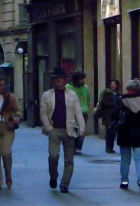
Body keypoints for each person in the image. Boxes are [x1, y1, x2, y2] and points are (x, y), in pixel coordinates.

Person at [40, 66, 85, 194]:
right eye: (56, 79)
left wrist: (82, 127)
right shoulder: (47, 95)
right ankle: (53, 176)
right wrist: (48, 127)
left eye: (61, 79)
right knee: (53, 156)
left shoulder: (72, 94)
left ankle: (65, 184)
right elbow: (42, 113)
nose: (58, 81)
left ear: (65, 80)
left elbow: (78, 111)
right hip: (54, 129)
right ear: (53, 81)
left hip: (69, 130)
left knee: (69, 160)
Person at [114, 79, 140, 194]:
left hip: (125, 133)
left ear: (128, 89)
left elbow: (115, 114)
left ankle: (124, 181)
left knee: (125, 159)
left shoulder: (121, 100)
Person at [66, 70, 91, 154]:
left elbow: (88, 99)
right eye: (81, 79)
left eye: (83, 79)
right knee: (72, 130)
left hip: (83, 112)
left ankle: (78, 147)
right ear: (75, 79)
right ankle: (71, 146)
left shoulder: (86, 88)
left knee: (81, 131)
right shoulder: (68, 87)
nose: (82, 81)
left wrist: (86, 107)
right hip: (71, 112)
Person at [96, 79, 120, 153]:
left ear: (117, 85)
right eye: (111, 84)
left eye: (114, 84)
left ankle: (111, 147)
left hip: (116, 115)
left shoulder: (119, 94)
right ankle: (108, 147)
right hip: (107, 114)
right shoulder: (106, 92)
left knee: (113, 132)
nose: (112, 85)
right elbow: (102, 101)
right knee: (109, 131)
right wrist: (113, 104)